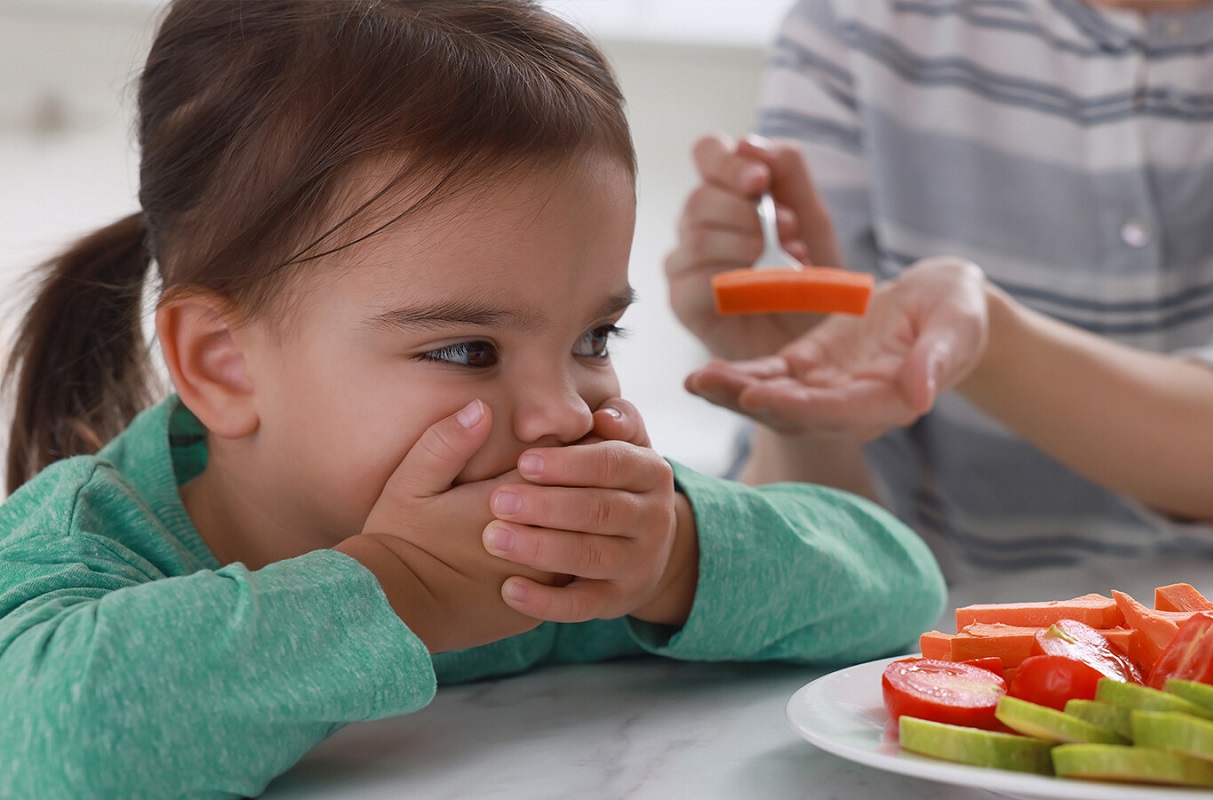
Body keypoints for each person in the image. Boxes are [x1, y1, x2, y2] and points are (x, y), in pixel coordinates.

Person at [0, 2, 946, 797]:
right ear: (224, 365)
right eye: (465, 349)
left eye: (591, 339)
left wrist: (674, 561)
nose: (561, 414)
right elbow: (45, 746)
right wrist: (396, 592)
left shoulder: (569, 549)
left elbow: (902, 589)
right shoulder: (91, 548)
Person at [665, 0, 1213, 584]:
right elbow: (834, 559)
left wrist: (987, 339)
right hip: (936, 657)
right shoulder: (855, 22)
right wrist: (800, 384)